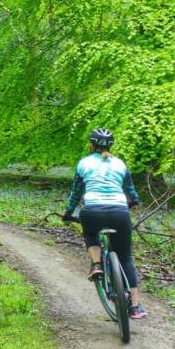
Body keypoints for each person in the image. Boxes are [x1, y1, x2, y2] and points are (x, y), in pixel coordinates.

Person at [62, 128, 147, 319]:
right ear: (111, 145)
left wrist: (68, 213)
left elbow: (76, 193)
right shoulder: (120, 163)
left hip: (92, 210)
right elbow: (132, 192)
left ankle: (97, 264)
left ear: (91, 145)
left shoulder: (84, 163)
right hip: (119, 211)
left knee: (90, 233)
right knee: (126, 258)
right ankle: (135, 306)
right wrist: (132, 203)